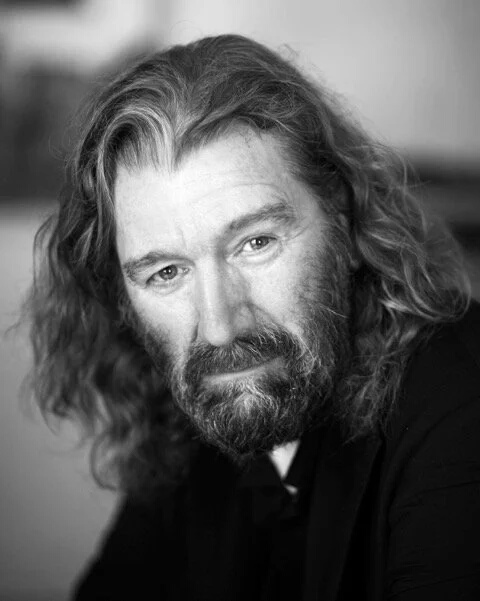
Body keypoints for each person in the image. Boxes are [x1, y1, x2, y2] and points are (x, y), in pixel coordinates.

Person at [26, 34, 480, 601]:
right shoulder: (200, 419)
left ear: (344, 218)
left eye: (256, 243)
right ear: (122, 297)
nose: (220, 327)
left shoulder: (462, 408)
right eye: (166, 272)